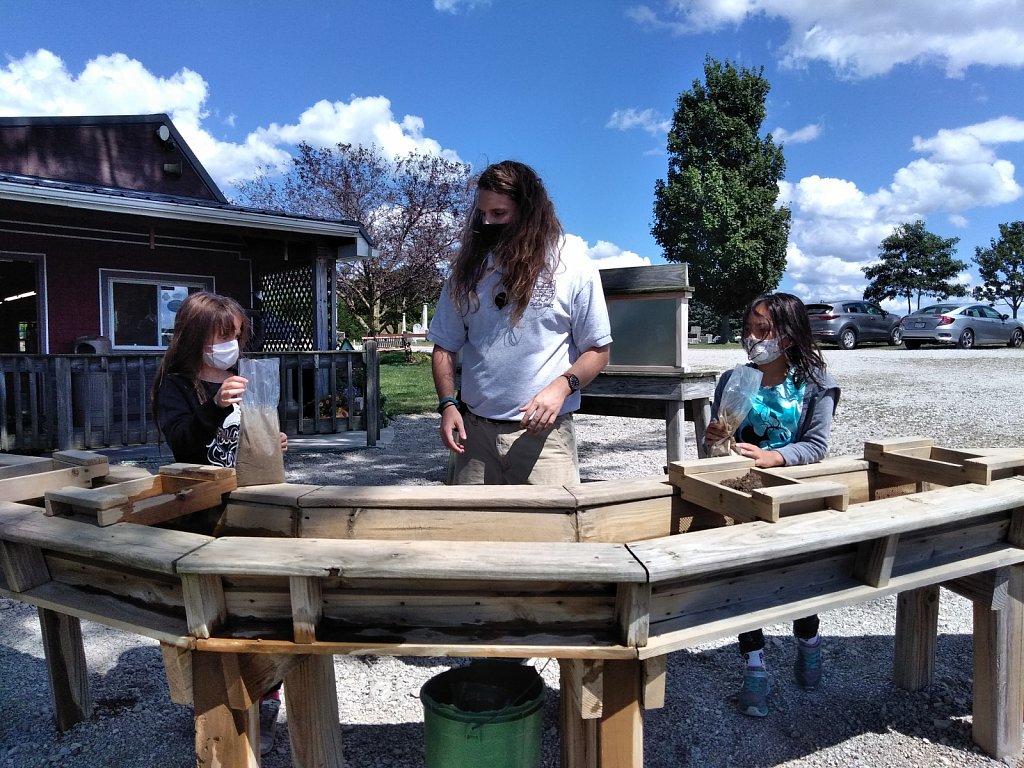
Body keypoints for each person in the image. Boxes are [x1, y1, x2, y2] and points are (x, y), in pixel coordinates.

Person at [150, 290, 286, 754]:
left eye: (235, 335)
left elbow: (244, 441)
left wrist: (271, 439)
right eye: (220, 336)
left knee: (261, 606)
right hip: (199, 519)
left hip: (249, 514)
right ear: (195, 338)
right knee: (209, 614)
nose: (230, 344)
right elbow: (185, 446)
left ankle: (265, 698)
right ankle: (213, 702)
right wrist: (214, 407)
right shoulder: (176, 384)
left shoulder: (240, 377)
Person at [428, 160, 612, 485]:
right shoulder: (467, 273)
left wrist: (561, 387)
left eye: (498, 214)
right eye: (482, 213)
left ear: (528, 211)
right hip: (474, 436)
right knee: (468, 531)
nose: (486, 222)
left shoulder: (573, 267)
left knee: (551, 533)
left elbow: (598, 350)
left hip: (544, 439)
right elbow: (444, 346)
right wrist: (446, 404)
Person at [703, 292, 840, 718]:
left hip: (792, 495)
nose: (752, 338)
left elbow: (816, 446)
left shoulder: (815, 384)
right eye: (750, 328)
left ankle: (809, 643)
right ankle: (754, 666)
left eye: (763, 330)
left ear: (790, 335)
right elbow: (721, 439)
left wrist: (776, 456)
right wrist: (715, 438)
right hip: (742, 495)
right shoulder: (734, 378)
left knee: (800, 577)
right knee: (743, 578)